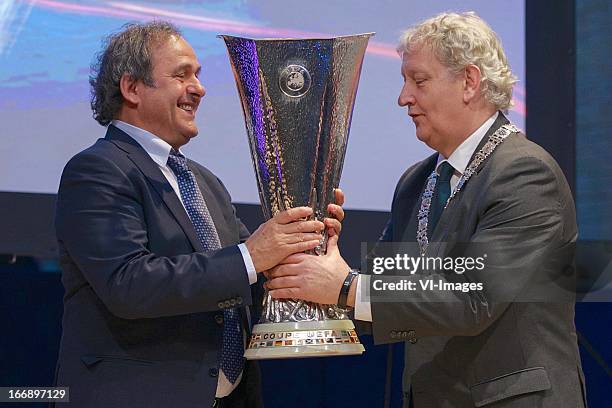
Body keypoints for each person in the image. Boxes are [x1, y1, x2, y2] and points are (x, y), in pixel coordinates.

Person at [266, 12, 586, 407]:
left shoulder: (523, 173)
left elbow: (472, 301)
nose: (403, 97)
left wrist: (346, 285)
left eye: (419, 80)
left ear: (469, 82)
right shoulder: (418, 182)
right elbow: (391, 300)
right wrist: (319, 273)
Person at [54, 21, 343, 407]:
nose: (199, 88)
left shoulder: (205, 182)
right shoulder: (98, 170)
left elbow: (248, 278)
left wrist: (305, 247)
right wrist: (253, 255)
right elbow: (128, 284)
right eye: (181, 74)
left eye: (198, 75)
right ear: (132, 88)